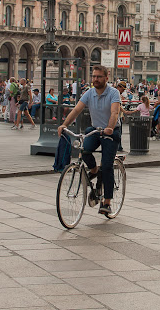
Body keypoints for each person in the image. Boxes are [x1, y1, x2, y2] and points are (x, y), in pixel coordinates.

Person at [58, 65, 121, 215]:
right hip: (94, 129)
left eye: (99, 77)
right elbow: (76, 110)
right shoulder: (89, 93)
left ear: (106, 78)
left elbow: (115, 112)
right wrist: (64, 124)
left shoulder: (114, 93)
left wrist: (110, 128)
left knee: (107, 166)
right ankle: (94, 169)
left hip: (111, 132)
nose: (95, 79)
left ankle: (107, 202)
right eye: (93, 76)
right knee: (84, 151)